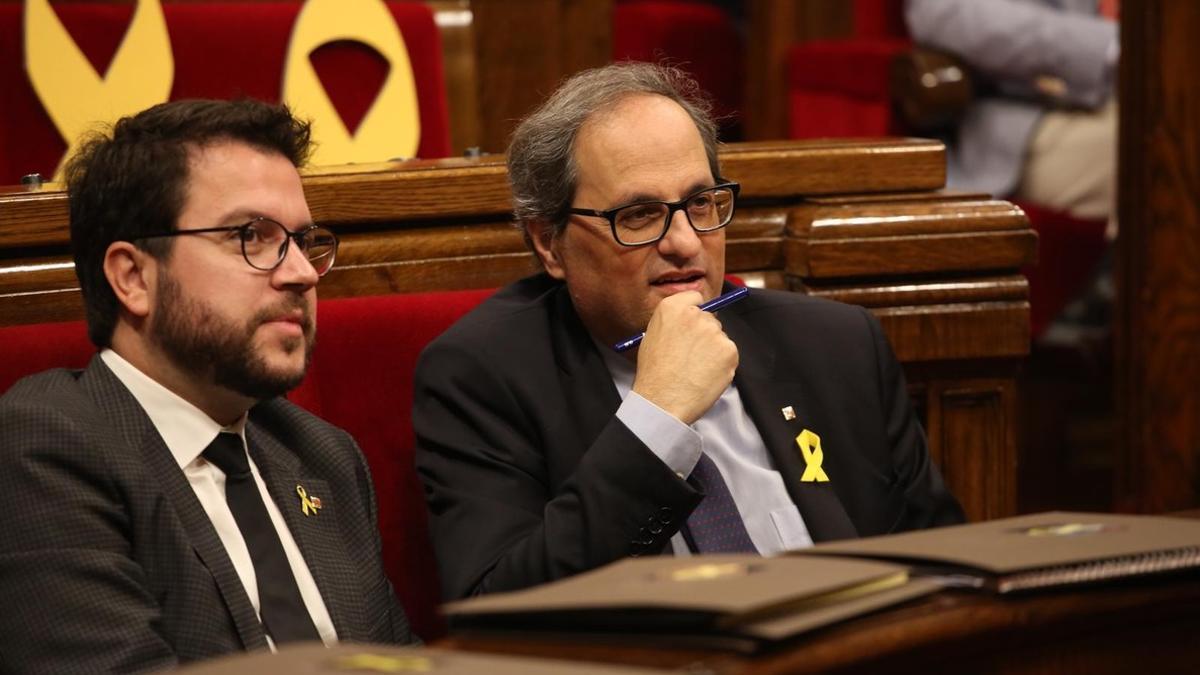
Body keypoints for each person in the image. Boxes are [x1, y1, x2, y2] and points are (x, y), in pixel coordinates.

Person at [413, 63, 964, 601]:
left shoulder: (836, 345)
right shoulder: (482, 377)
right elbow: (501, 610)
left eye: (700, 203)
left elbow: (945, 572)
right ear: (549, 244)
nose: (683, 241)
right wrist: (657, 419)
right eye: (638, 215)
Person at [0, 99, 415, 672]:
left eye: (303, 240)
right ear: (133, 277)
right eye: (253, 235)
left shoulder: (322, 456)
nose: (300, 272)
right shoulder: (45, 447)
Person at [904, 0, 1119, 224]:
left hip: (1129, 97)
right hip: (1025, 119)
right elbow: (943, 10)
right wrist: (1109, 45)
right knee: (1142, 147)